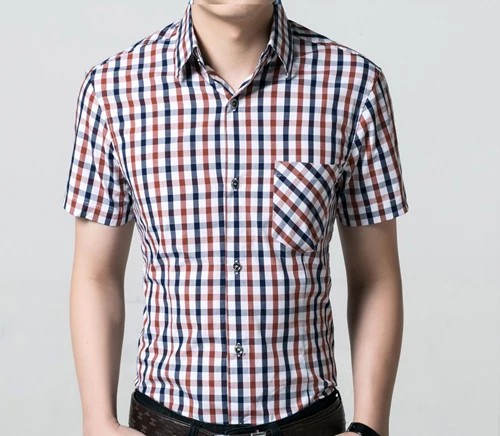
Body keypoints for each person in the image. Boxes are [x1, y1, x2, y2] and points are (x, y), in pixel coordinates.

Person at [62, 0, 409, 435]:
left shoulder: (354, 85)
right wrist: (97, 421)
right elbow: (95, 274)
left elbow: (376, 277)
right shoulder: (113, 90)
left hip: (306, 422)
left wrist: (370, 428)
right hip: (164, 422)